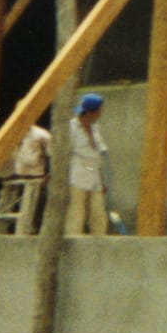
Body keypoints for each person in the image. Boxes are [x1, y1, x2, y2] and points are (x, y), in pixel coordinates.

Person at [65, 93, 111, 237]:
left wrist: (102, 180)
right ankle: (73, 239)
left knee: (98, 213)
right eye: (99, 110)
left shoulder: (95, 127)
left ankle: (99, 241)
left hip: (93, 171)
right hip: (77, 172)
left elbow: (97, 155)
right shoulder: (71, 128)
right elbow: (64, 154)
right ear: (92, 112)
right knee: (76, 213)